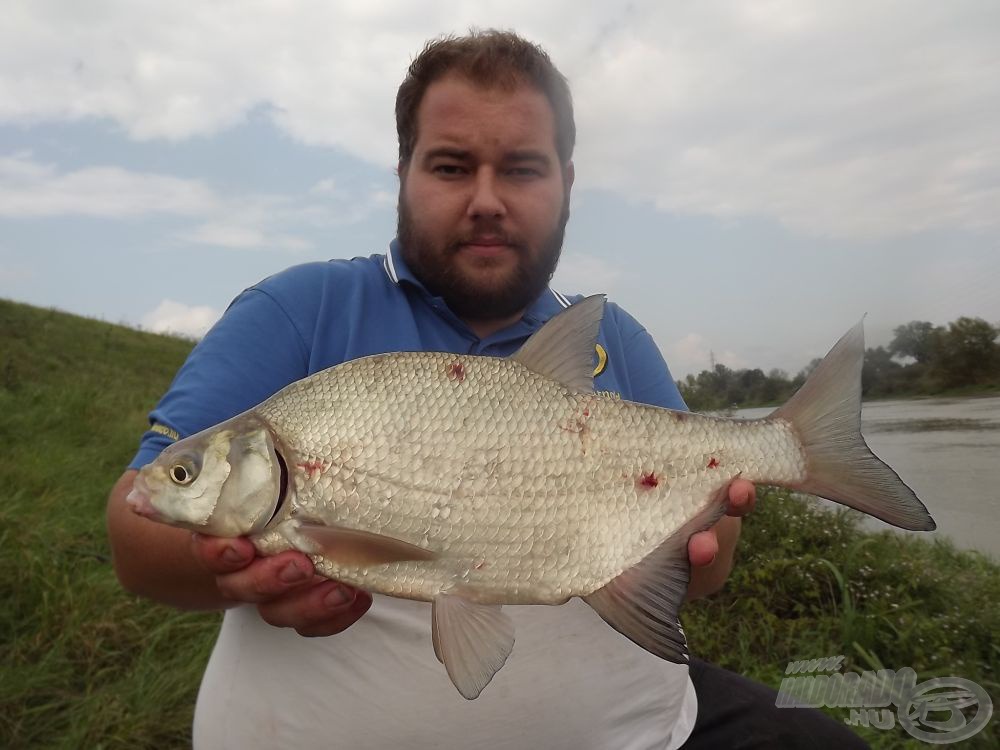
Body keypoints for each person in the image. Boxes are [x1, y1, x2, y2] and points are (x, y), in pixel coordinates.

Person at [107, 30, 866, 749]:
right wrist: (226, 567)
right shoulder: (299, 310)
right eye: (450, 165)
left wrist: (700, 533)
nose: (486, 199)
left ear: (566, 182)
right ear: (402, 172)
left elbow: (708, 570)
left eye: (522, 168)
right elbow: (136, 533)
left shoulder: (614, 337)